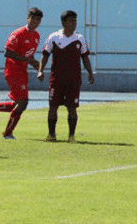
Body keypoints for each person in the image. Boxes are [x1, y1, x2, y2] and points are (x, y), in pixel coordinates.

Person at [0, 7, 43, 140]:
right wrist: (27, 60)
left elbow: (29, 56)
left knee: (18, 104)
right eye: (33, 19)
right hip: (13, 70)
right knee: (23, 103)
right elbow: (7, 52)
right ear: (27, 18)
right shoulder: (18, 33)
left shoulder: (36, 36)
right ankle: (7, 134)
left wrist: (38, 67)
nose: (35, 22)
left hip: (22, 71)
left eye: (38, 20)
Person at [37, 10, 95, 143]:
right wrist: (40, 70)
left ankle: (71, 136)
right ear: (64, 22)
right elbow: (45, 55)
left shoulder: (79, 38)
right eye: (71, 21)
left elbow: (85, 58)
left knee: (72, 108)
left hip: (73, 80)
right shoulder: (54, 37)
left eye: (75, 21)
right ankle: (51, 135)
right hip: (56, 80)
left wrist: (90, 73)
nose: (74, 24)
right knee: (53, 107)